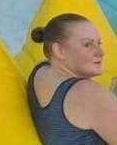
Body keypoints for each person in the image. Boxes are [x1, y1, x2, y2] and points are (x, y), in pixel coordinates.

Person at [27, 13, 117, 144]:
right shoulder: (89, 94)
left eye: (99, 43)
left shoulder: (40, 71)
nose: (100, 53)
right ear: (59, 50)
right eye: (87, 45)